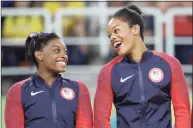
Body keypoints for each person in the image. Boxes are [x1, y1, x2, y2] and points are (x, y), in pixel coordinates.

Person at [94, 5, 190, 128]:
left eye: (116, 30)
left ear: (135, 29)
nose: (112, 37)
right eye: (109, 35)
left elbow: (182, 112)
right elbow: (100, 119)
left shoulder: (170, 64)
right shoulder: (108, 72)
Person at [5, 32, 93, 128]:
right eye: (57, 50)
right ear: (39, 55)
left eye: (65, 52)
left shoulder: (78, 89)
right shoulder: (18, 90)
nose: (64, 56)